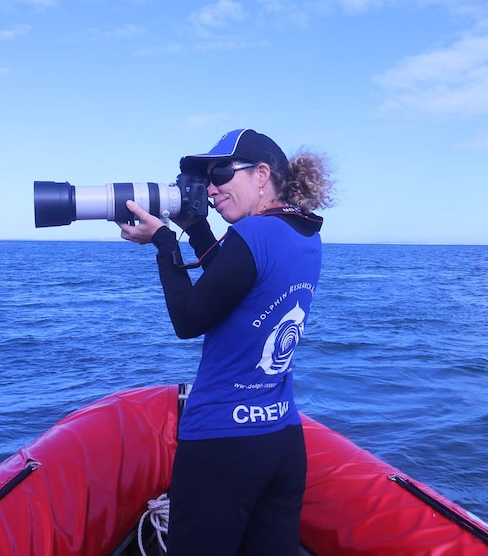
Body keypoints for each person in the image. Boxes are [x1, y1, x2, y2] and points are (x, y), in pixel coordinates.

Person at [119, 128, 333, 556]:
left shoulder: (253, 235)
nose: (212, 187)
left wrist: (164, 242)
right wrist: (196, 227)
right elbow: (233, 283)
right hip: (281, 440)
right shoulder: (306, 235)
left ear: (261, 174)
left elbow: (190, 318)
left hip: (222, 443)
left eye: (221, 173)